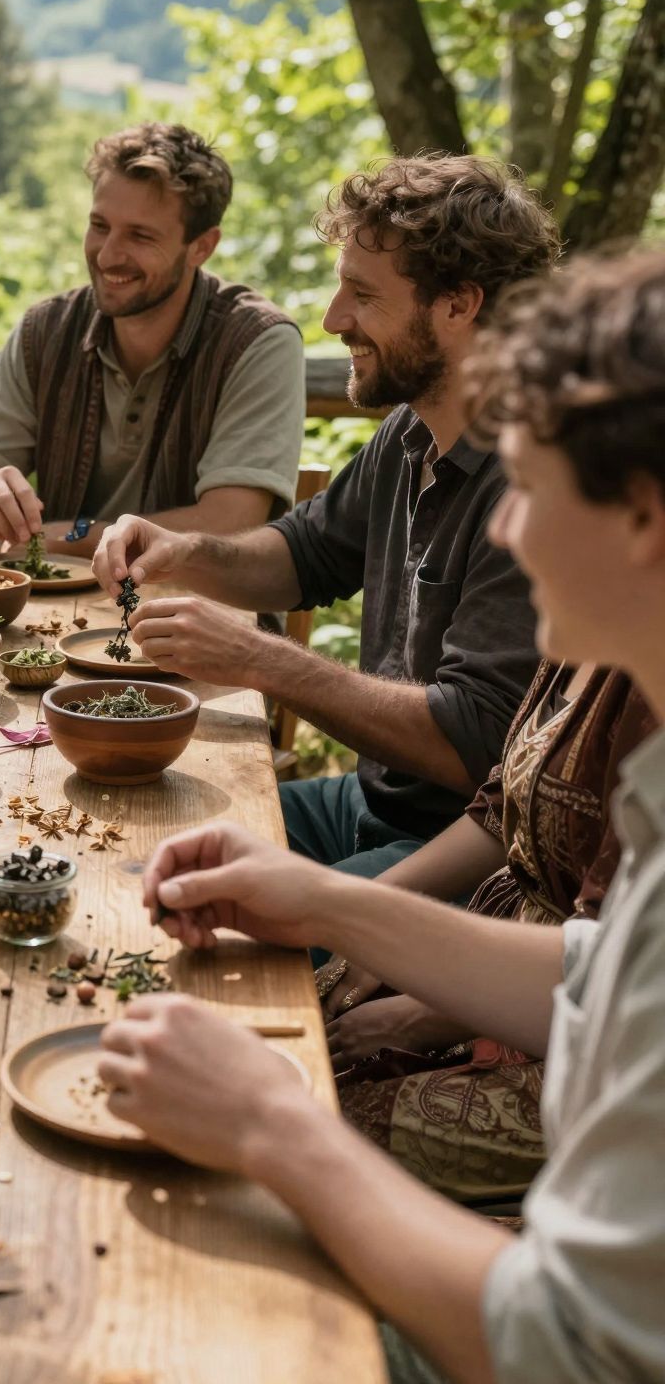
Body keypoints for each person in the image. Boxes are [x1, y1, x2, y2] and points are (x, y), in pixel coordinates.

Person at [99, 248, 665, 1384]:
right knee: (206, 1353)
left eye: (533, 489)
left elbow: (571, 1361)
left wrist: (275, 1126)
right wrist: (328, 909)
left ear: (646, 521)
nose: (511, 527)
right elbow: (605, 977)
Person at [96, 154, 556, 876]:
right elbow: (303, 557)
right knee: (132, 843)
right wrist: (181, 550)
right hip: (365, 807)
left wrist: (258, 661)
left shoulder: (535, 483)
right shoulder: (411, 428)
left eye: (362, 295)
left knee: (213, 931)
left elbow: (475, 740)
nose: (333, 318)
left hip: (456, 853)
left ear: (459, 305)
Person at [318, 659, 653, 1202]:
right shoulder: (574, 640)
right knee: (311, 1012)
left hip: (590, 1052)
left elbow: (606, 971)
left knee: (330, 1123)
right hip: (506, 953)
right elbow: (499, 812)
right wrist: (372, 911)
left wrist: (419, 1012)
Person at [0, 122, 306, 555]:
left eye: (141, 235)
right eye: (99, 225)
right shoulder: (45, 329)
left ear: (202, 247)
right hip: (55, 611)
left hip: (201, 610)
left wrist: (49, 539)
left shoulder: (258, 342)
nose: (108, 254)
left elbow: (230, 521)